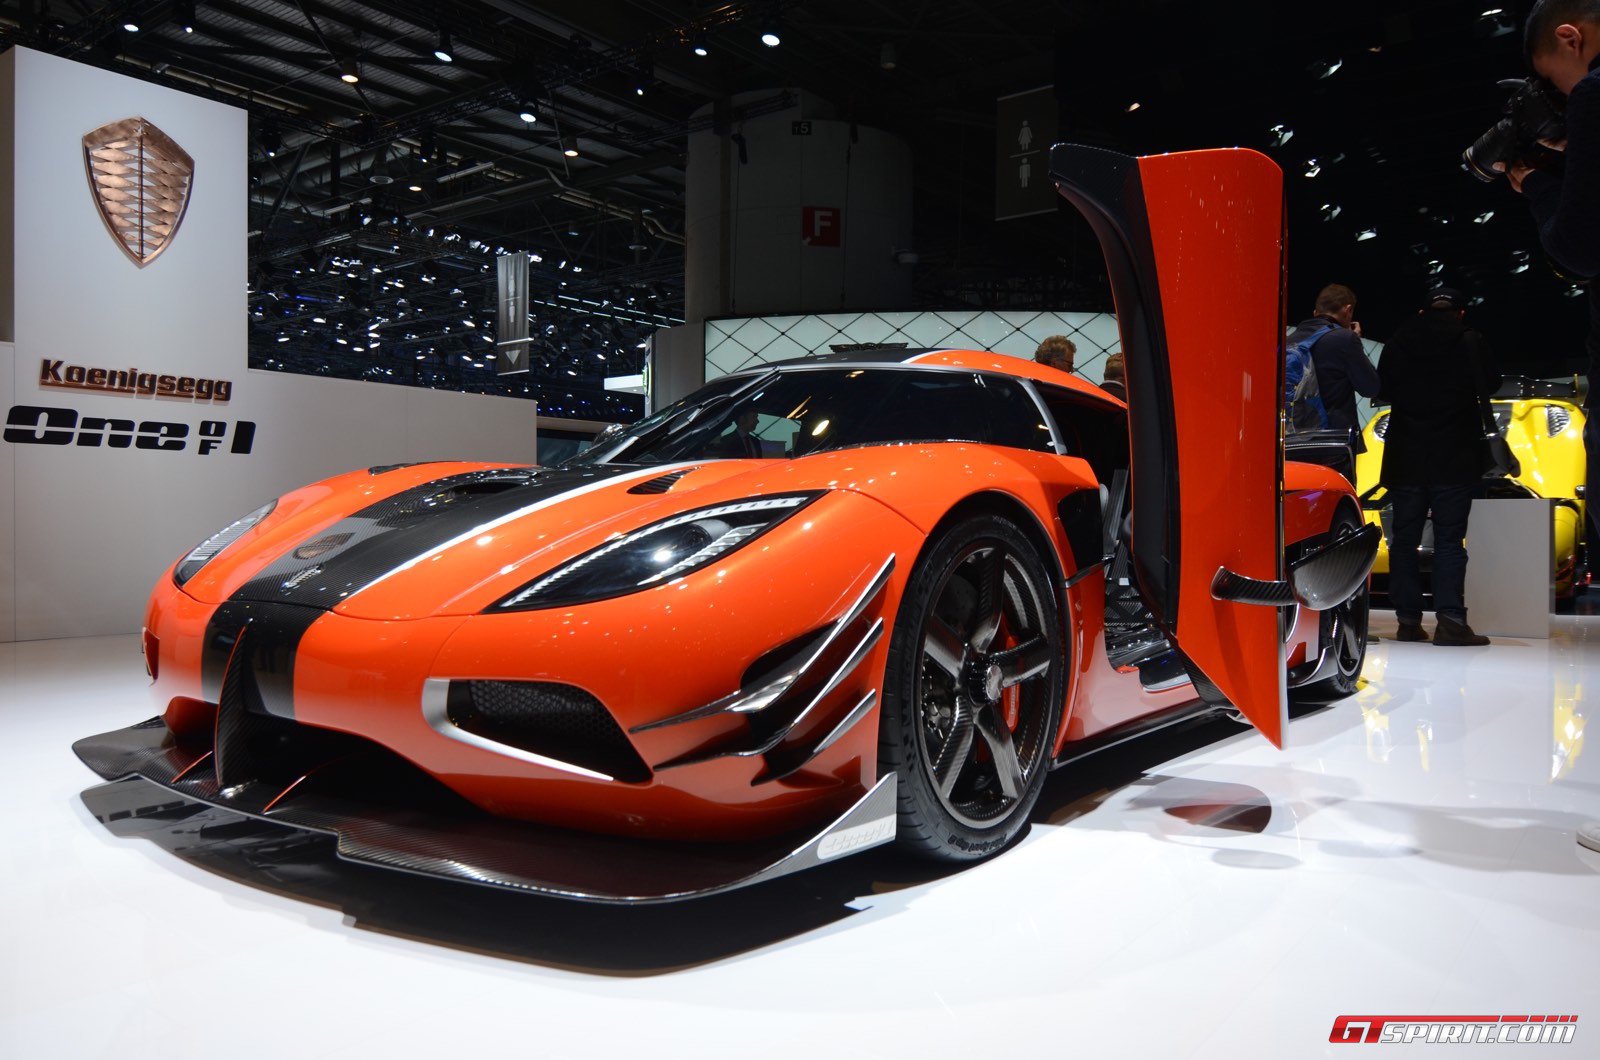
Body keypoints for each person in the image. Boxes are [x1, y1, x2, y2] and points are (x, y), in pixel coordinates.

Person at [1377, 288, 1501, 646]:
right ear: (1460, 313)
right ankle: (1450, 621)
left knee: (1404, 540)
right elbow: (1491, 383)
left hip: (1406, 455)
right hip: (1454, 455)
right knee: (1449, 539)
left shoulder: (1398, 342)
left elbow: (1382, 389)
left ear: (1422, 312)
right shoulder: (1470, 340)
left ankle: (1407, 621)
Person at [1286, 284, 1381, 452]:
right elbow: (1371, 388)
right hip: (1333, 442)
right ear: (1348, 310)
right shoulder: (1345, 339)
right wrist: (1355, 341)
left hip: (1292, 440)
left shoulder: (1289, 340)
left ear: (1315, 312)